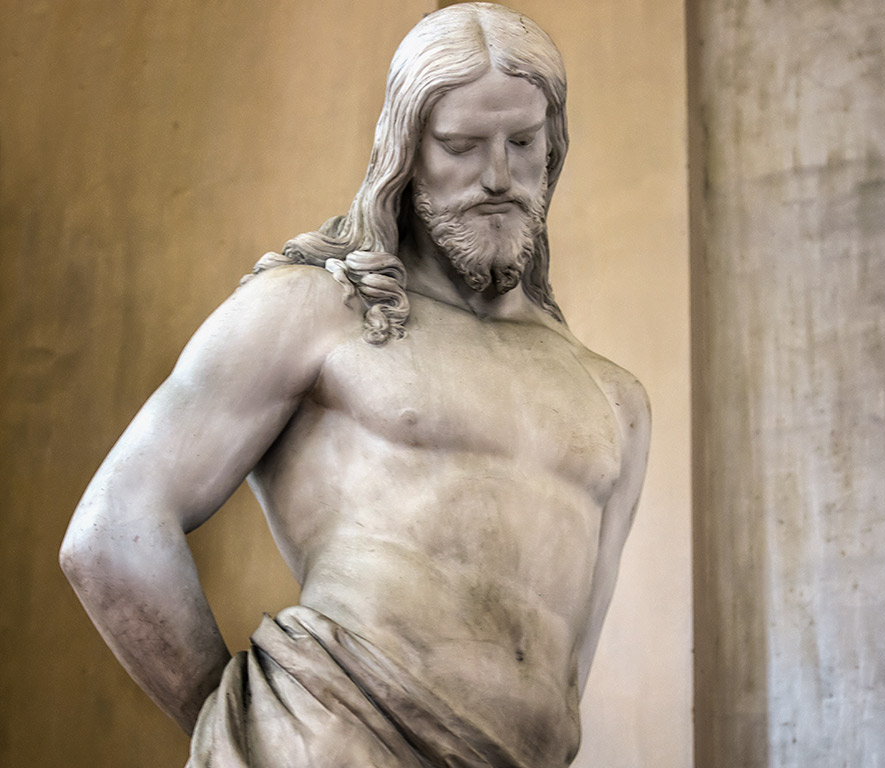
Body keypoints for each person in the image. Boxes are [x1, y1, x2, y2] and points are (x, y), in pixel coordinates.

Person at [59, 4, 650, 767]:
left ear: (553, 146)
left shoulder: (614, 401)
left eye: (523, 143)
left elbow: (568, 673)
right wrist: (247, 731)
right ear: (406, 150)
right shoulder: (315, 311)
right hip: (330, 740)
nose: (499, 177)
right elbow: (112, 531)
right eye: (461, 146)